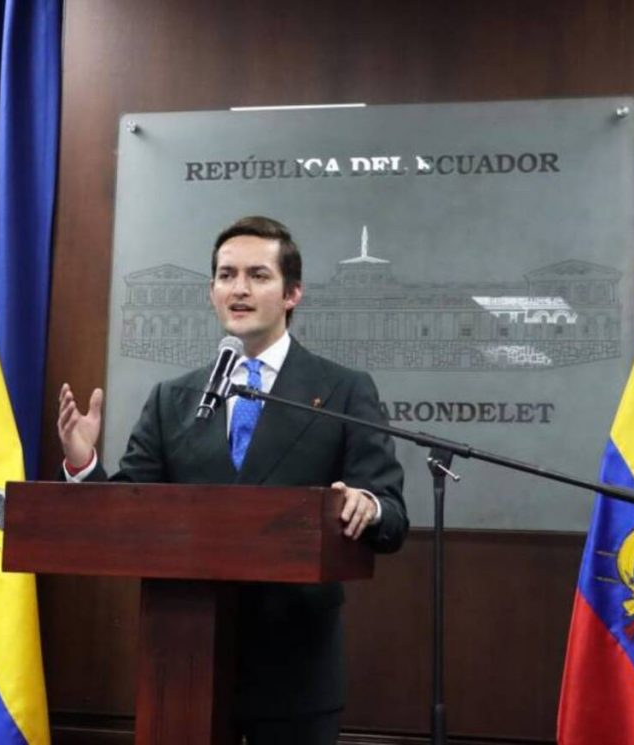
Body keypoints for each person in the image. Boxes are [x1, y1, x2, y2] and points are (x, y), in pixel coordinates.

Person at [57, 216, 407, 744]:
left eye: (257, 276)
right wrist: (85, 466)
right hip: (184, 665)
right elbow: (128, 514)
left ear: (292, 294)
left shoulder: (341, 390)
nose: (239, 289)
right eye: (226, 275)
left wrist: (366, 506)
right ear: (212, 291)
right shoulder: (172, 398)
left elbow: (392, 515)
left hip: (295, 670)